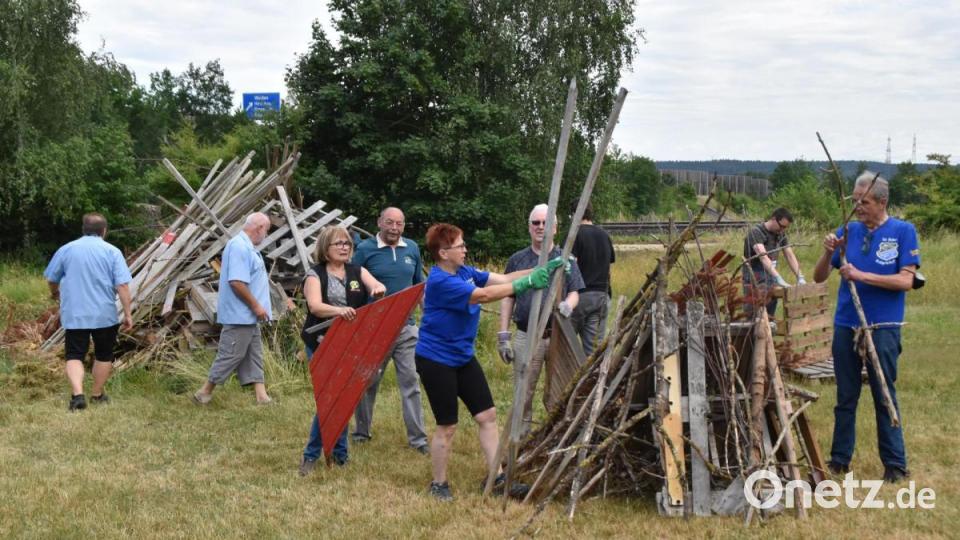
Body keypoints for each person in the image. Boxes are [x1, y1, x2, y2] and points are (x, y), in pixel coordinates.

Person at [415, 223, 566, 501]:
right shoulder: (439, 281)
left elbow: (504, 278)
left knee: (487, 416)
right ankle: (439, 484)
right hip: (436, 359)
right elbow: (483, 296)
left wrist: (544, 268)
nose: (465, 249)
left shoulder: (465, 272)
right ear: (443, 252)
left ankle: (496, 479)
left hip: (462, 356)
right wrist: (526, 285)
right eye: (460, 246)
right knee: (447, 425)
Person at [812, 172, 919, 484]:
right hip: (847, 324)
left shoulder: (902, 231)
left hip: (883, 327)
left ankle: (895, 465)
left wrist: (862, 276)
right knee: (846, 396)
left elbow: (907, 280)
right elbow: (819, 277)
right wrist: (828, 250)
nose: (858, 207)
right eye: (855, 201)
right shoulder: (848, 231)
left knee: (884, 394)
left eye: (865, 202)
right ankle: (839, 460)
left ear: (882, 202)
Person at [298, 226, 385, 475]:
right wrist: (340, 311)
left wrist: (378, 290)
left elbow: (376, 286)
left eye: (348, 243)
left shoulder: (357, 271)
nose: (345, 247)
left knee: (344, 397)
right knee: (330, 399)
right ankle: (311, 456)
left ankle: (340, 453)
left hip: (350, 343)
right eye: (339, 243)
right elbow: (315, 307)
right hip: (322, 342)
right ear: (326, 247)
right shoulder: (314, 275)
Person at [498, 204, 584, 435]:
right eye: (536, 223)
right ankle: (521, 439)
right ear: (529, 227)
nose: (540, 227)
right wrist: (503, 335)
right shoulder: (518, 260)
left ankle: (558, 436)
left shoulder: (565, 259)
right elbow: (507, 296)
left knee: (562, 390)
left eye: (546, 223)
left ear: (555, 228)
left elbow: (575, 290)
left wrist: (569, 304)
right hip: (528, 335)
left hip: (558, 336)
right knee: (523, 392)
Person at [350, 207, 429, 454]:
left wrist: (426, 318)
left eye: (399, 224)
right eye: (389, 223)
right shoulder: (364, 250)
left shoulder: (412, 249)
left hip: (406, 328)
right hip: (375, 330)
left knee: (411, 382)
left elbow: (419, 286)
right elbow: (352, 285)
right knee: (367, 381)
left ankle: (418, 440)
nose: (394, 228)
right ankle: (362, 432)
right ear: (379, 223)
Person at [44, 213, 133, 411]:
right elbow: (123, 286)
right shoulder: (112, 252)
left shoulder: (66, 249)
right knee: (104, 354)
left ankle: (77, 396)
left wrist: (55, 293)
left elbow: (51, 278)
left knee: (74, 355)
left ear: (84, 230)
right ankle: (97, 394)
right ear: (104, 231)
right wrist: (128, 314)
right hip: (105, 315)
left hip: (75, 314)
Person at [193, 213, 274, 405]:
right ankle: (203, 392)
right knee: (231, 354)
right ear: (260, 228)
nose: (266, 235)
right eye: (267, 230)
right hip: (241, 315)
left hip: (249, 316)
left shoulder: (247, 247)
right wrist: (256, 306)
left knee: (254, 355)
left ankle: (262, 397)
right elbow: (237, 282)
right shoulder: (238, 246)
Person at [569, 200, 615, 357]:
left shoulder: (574, 236)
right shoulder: (604, 235)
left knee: (565, 344)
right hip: (602, 296)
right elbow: (609, 269)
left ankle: (568, 379)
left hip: (579, 297)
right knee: (593, 352)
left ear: (574, 215)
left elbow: (570, 267)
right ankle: (593, 380)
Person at [742, 207, 804, 316]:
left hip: (770, 278)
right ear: (774, 219)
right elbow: (763, 257)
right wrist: (778, 278)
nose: (782, 230)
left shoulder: (780, 234)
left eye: (785, 228)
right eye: (782, 226)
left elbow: (789, 254)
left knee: (770, 316)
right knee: (755, 316)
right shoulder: (756, 232)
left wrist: (800, 276)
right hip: (754, 280)